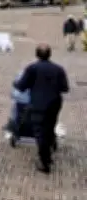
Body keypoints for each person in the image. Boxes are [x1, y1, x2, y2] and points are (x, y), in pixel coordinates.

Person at [15, 44, 69, 173]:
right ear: (50, 54)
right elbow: (65, 88)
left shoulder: (32, 68)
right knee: (50, 128)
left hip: (38, 104)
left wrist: (16, 83)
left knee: (40, 133)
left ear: (37, 54)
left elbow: (21, 86)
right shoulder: (58, 69)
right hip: (54, 103)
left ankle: (44, 163)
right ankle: (48, 156)